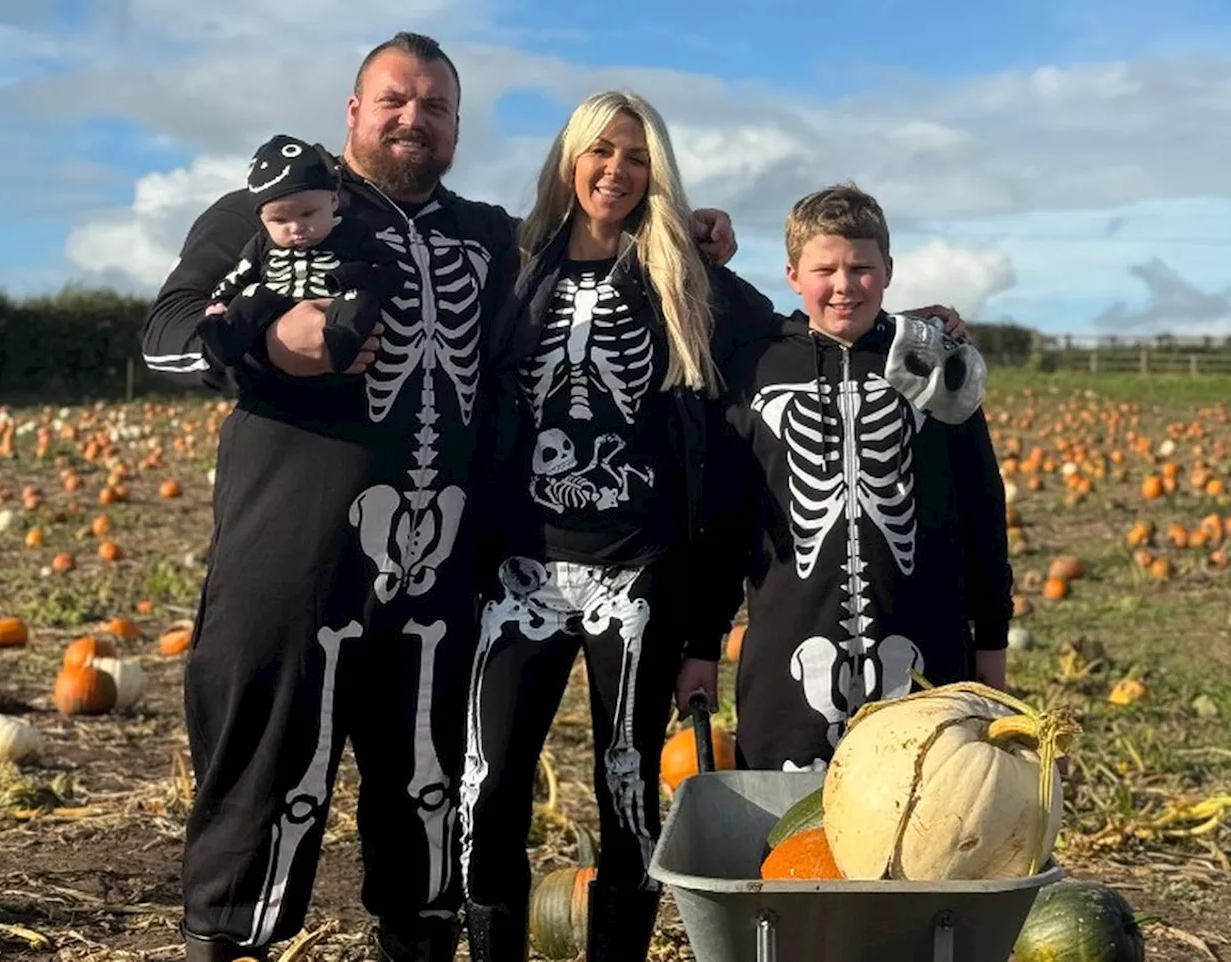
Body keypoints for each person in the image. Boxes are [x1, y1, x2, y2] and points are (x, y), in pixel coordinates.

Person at [140, 32, 737, 962]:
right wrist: (266, 341)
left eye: (436, 106)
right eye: (394, 101)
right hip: (295, 559)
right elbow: (166, 330)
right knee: (265, 781)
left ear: (458, 124)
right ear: (353, 111)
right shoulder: (277, 210)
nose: (415, 118)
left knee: (428, 799)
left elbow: (597, 252)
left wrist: (686, 230)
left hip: (441, 576)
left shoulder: (491, 236)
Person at [456, 90, 780, 962]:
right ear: (570, 161)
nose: (616, 171)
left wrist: (913, 330)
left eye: (636, 158)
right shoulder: (514, 265)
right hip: (519, 574)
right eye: (600, 152)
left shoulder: (683, 274)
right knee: (485, 789)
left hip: (635, 575)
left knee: (628, 788)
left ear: (656, 174)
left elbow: (798, 333)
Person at [682, 183, 1013, 777]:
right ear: (792, 275)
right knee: (789, 843)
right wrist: (702, 646)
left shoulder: (935, 364)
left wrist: (991, 640)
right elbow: (724, 525)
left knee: (928, 823)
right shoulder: (754, 370)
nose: (843, 285)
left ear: (888, 271)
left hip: (925, 651)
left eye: (862, 268)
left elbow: (981, 508)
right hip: (789, 655)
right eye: (824, 269)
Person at [198, 132, 400, 375]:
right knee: (253, 292)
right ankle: (228, 338)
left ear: (333, 201)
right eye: (279, 220)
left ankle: (342, 342)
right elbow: (238, 276)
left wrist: (349, 276)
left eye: (307, 214)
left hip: (334, 312)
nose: (295, 227)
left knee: (358, 299)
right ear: (262, 220)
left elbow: (389, 273)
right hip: (276, 313)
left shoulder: (353, 233)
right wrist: (220, 303)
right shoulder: (262, 243)